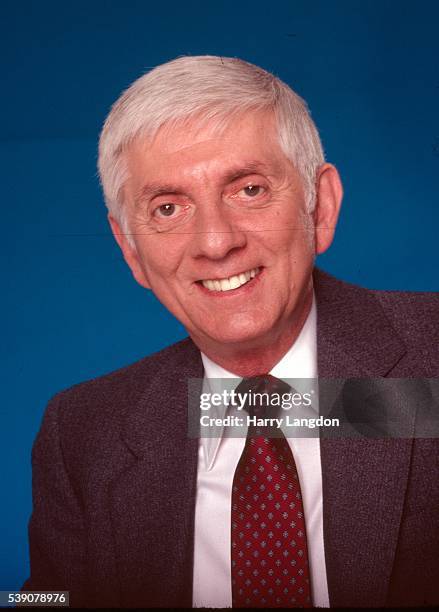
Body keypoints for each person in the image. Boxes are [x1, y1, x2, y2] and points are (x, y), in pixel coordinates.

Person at [23, 56, 438, 608]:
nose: (216, 242)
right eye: (168, 207)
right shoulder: (81, 432)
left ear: (321, 208)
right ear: (130, 250)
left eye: (249, 190)